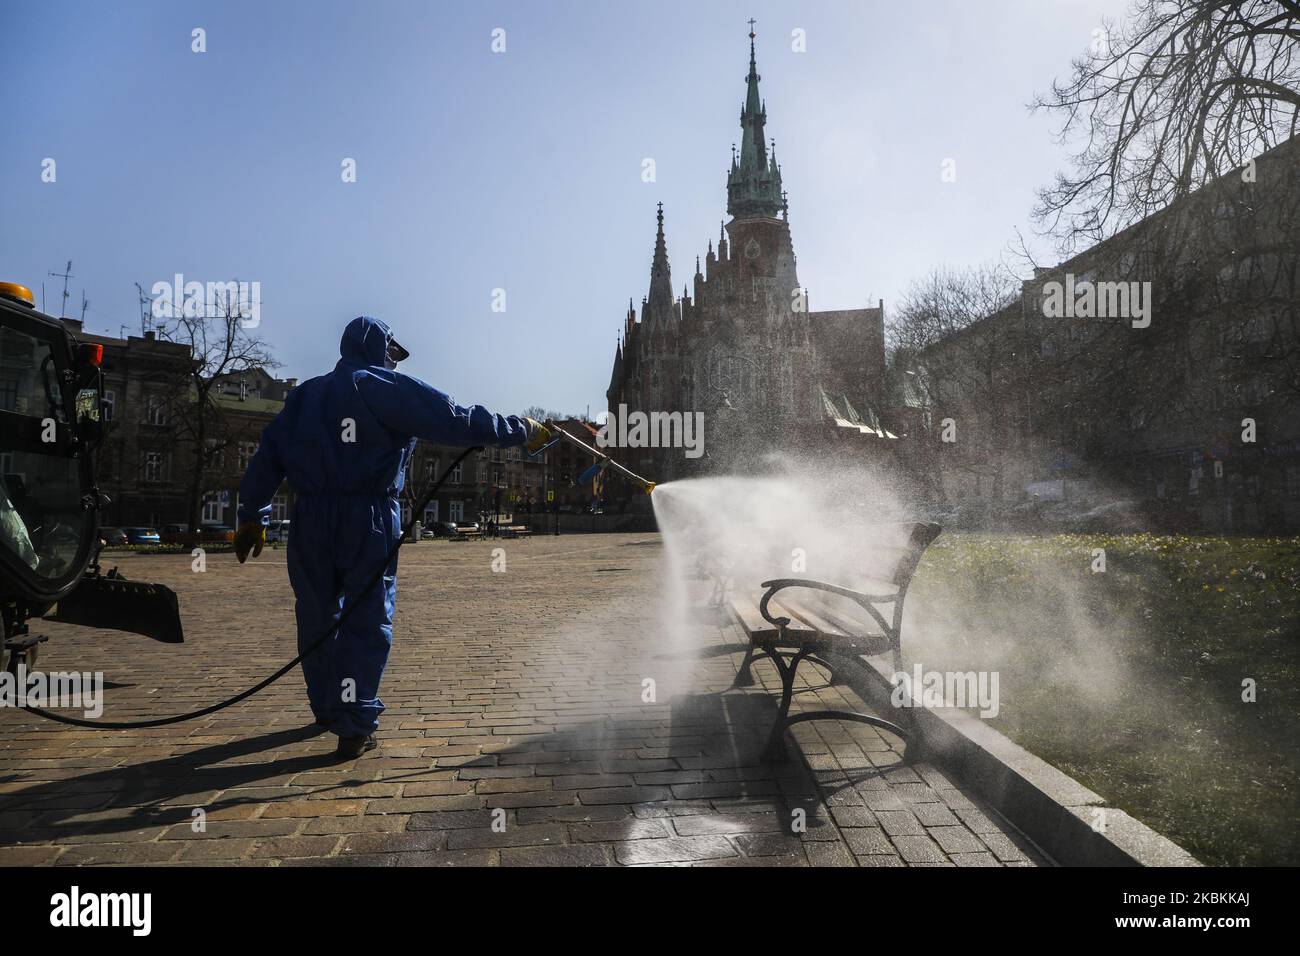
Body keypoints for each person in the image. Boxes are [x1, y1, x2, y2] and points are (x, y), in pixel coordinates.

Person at [234, 316, 550, 758]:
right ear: (380, 349)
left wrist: (252, 515)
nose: (394, 364)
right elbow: (455, 418)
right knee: (366, 619)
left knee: (316, 616)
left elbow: (267, 457)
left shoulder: (305, 395)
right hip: (367, 517)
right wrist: (522, 429)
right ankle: (354, 722)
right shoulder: (379, 387)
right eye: (392, 355)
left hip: (309, 521)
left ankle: (327, 708)